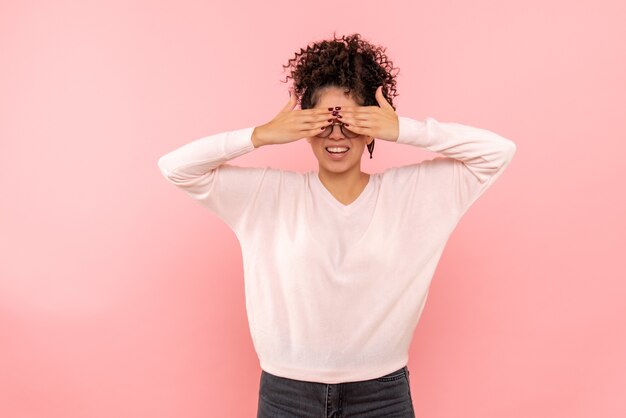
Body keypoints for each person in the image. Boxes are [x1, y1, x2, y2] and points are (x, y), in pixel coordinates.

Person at [157, 32, 516, 418]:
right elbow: (175, 167)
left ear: (372, 125)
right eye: (323, 121)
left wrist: (403, 129)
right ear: (305, 126)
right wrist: (260, 136)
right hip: (286, 395)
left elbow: (498, 152)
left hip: (381, 397)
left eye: (351, 120)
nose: (336, 134)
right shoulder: (265, 195)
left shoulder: (413, 194)